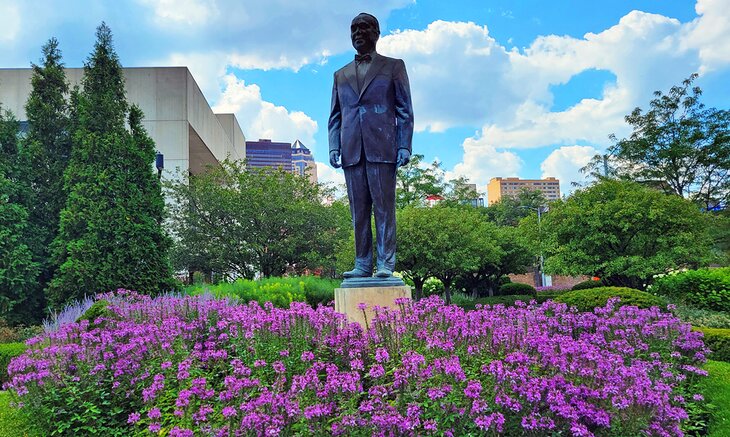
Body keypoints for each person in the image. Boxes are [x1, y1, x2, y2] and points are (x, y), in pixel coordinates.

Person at [328, 12, 414, 278]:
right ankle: (362, 263)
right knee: (358, 211)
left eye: (364, 28)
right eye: (354, 28)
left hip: (383, 147)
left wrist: (404, 145)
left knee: (384, 209)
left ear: (376, 33)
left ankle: (386, 263)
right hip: (351, 150)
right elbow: (335, 115)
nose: (358, 33)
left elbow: (404, 110)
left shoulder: (394, 67)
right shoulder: (340, 75)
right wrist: (334, 146)